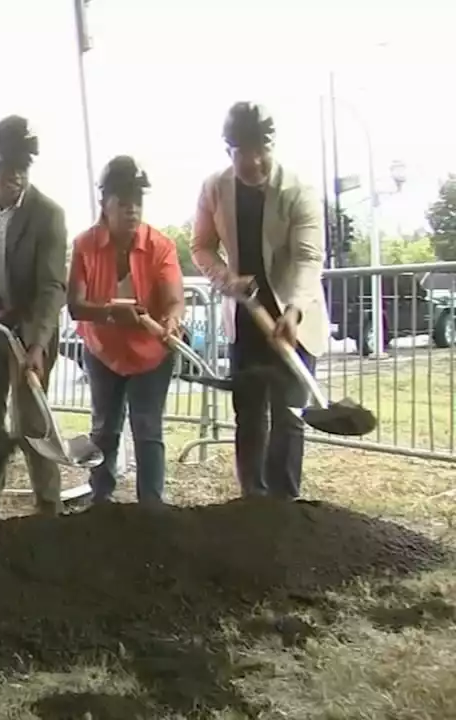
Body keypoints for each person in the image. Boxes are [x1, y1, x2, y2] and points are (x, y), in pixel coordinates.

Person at [191, 103, 329, 500]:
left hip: (293, 321)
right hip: (245, 319)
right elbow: (201, 247)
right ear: (227, 150)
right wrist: (227, 280)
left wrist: (294, 309)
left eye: (260, 148)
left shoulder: (298, 190)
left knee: (289, 414)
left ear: (272, 145)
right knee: (248, 415)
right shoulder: (215, 188)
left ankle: (285, 504)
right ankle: (253, 500)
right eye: (241, 150)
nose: (252, 160)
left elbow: (308, 258)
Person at [0, 115, 68, 529]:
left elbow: (53, 285)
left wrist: (36, 345)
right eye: (8, 165)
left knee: (30, 418)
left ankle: (48, 505)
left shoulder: (48, 214)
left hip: (30, 329)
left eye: (24, 166)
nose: (16, 175)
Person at [68, 156, 184, 505]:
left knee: (148, 429)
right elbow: (75, 305)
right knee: (104, 429)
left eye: (138, 201)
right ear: (105, 203)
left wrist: (172, 322)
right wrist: (110, 314)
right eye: (123, 202)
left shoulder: (160, 246)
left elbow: (174, 299)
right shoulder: (84, 245)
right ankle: (100, 500)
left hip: (151, 356)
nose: (132, 210)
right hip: (103, 352)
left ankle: (151, 507)